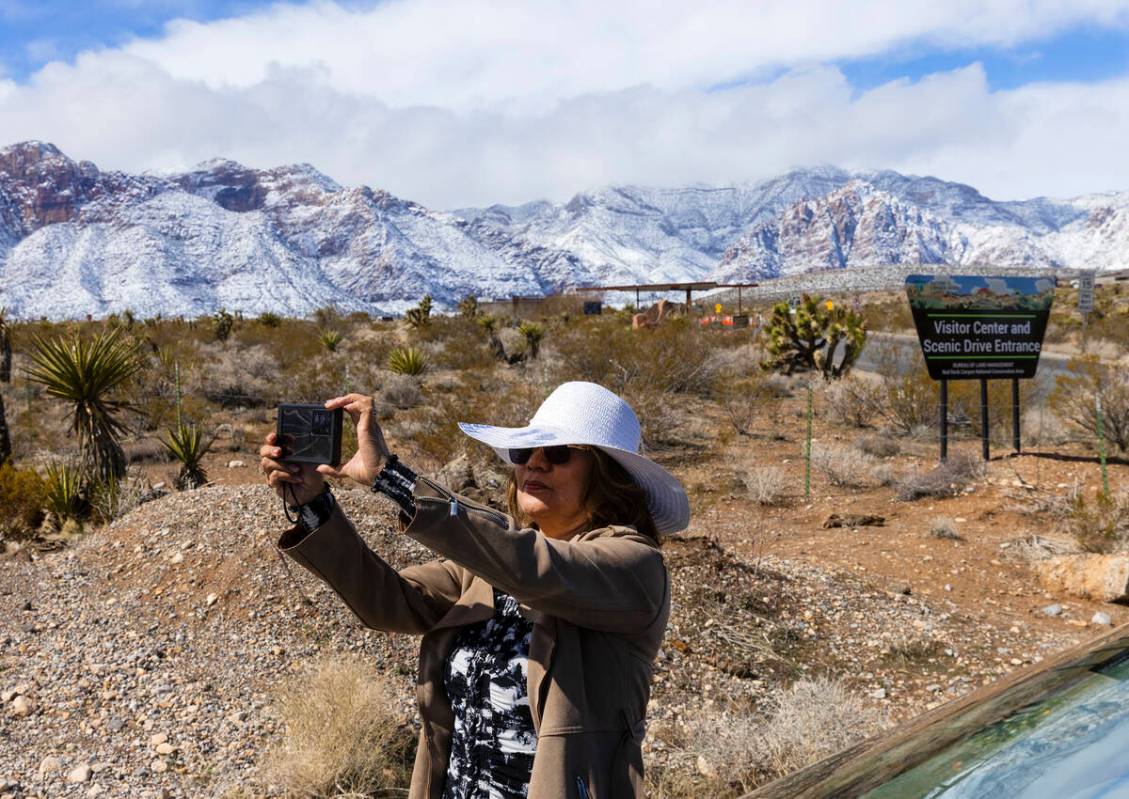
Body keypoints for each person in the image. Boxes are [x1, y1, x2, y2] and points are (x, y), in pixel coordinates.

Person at [260, 381, 690, 799]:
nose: (534, 464)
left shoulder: (634, 567)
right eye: (524, 451)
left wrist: (393, 478)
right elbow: (388, 600)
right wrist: (311, 504)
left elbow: (536, 569)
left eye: (558, 453)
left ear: (608, 476)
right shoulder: (487, 568)